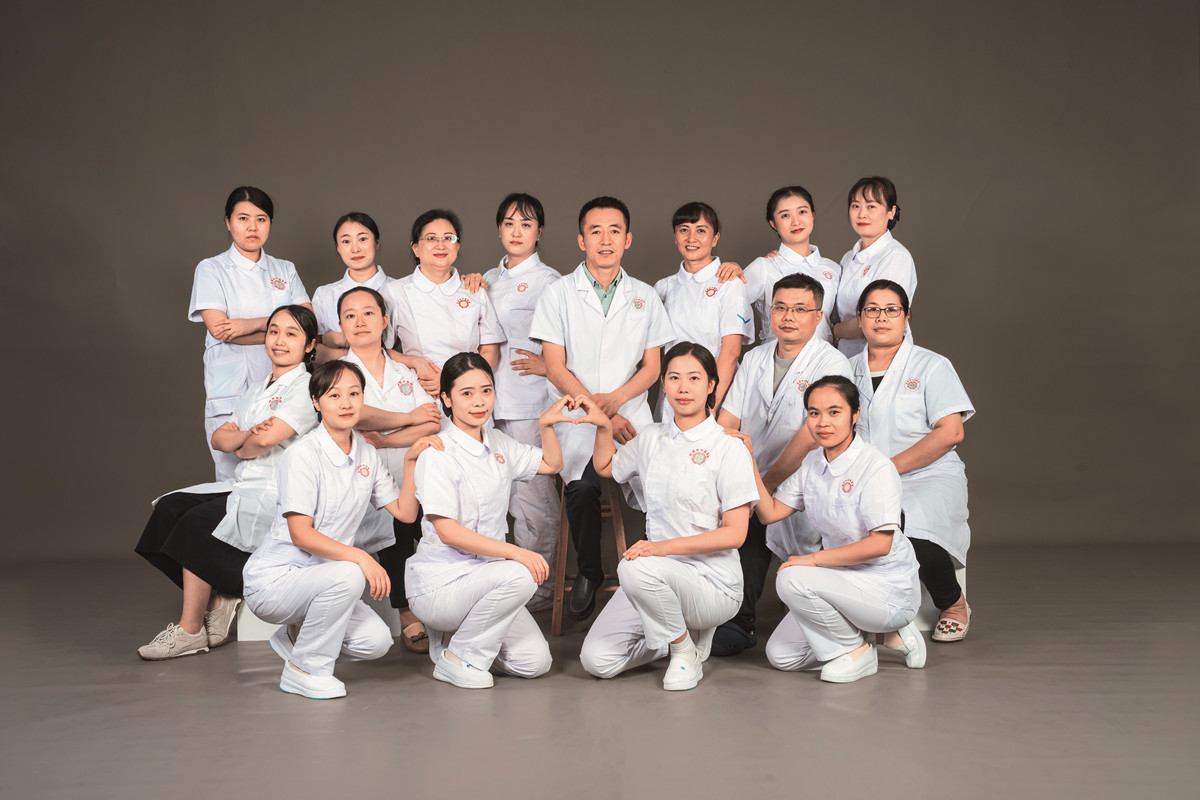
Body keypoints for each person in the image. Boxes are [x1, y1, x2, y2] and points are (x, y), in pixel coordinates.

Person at [136, 305, 320, 659]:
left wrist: (244, 439)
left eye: (291, 334)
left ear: (310, 345)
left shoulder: (307, 387)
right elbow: (220, 439)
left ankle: (190, 629)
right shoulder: (257, 388)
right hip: (244, 482)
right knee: (169, 510)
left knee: (195, 525)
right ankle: (219, 598)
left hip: (275, 489)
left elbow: (263, 442)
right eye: (274, 331)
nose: (279, 340)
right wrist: (249, 435)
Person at [529, 196, 676, 620]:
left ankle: (663, 577)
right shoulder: (558, 294)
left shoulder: (644, 296)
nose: (605, 239)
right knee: (581, 487)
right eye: (596, 231)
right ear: (582, 240)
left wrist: (616, 403)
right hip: (577, 418)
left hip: (632, 417)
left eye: (615, 231)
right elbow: (555, 367)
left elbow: (653, 368)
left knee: (665, 483)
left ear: (627, 239)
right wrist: (604, 414)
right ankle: (590, 572)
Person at [580, 343, 757, 690]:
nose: (683, 387)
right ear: (663, 384)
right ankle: (680, 632)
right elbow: (606, 466)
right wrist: (602, 425)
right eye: (674, 378)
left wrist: (660, 549)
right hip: (654, 578)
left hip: (711, 582)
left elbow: (735, 534)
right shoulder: (651, 438)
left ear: (712, 385)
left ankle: (683, 651)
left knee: (633, 565)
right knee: (597, 661)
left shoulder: (728, 446)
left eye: (694, 378)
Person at [241, 360, 415, 700]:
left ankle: (297, 639)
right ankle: (304, 670)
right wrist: (361, 558)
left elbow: (406, 514)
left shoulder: (367, 454)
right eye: (334, 395)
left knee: (376, 642)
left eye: (354, 393)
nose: (346, 403)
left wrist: (409, 461)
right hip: (276, 580)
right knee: (351, 571)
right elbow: (300, 535)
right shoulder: (303, 455)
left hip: (326, 580)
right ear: (316, 402)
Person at [402, 353, 578, 688]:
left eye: (486, 390)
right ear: (446, 399)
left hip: (490, 582)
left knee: (535, 663)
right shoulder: (437, 453)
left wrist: (545, 425)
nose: (479, 401)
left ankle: (458, 641)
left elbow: (552, 464)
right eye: (466, 393)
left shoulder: (497, 442)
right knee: (520, 572)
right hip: (443, 584)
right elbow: (448, 532)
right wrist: (517, 553)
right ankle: (458, 658)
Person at [738, 375, 925, 683]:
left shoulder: (876, 467)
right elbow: (769, 513)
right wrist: (748, 462)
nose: (823, 422)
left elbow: (879, 545)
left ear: (855, 414)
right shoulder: (812, 462)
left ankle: (857, 652)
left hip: (887, 589)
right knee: (782, 655)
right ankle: (878, 637)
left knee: (792, 576)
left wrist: (811, 560)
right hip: (842, 581)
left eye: (834, 412)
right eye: (814, 413)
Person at [713, 273, 853, 656]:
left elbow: (814, 432)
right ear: (770, 312)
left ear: (818, 316)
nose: (788, 316)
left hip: (808, 478)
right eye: (780, 307)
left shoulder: (832, 363)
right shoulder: (755, 358)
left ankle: (815, 611)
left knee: (800, 546)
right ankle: (738, 621)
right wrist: (729, 475)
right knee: (743, 527)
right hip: (754, 474)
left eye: (800, 309)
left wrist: (767, 482)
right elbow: (728, 419)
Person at [850, 280, 974, 640]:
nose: (881, 318)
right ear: (860, 318)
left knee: (912, 527)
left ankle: (953, 603)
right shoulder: (844, 369)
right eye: (872, 310)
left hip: (928, 475)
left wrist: (887, 469)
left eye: (891, 310)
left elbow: (950, 433)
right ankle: (865, 610)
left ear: (906, 317)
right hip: (866, 477)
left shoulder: (931, 365)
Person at [337, 285, 443, 652]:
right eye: (350, 315)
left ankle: (443, 605)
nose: (359, 321)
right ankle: (406, 611)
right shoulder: (339, 374)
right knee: (393, 528)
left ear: (384, 321)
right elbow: (355, 414)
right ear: (341, 325)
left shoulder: (406, 371)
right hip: (362, 475)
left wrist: (384, 440)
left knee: (434, 528)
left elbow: (432, 423)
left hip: (414, 467)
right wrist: (407, 418)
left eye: (368, 313)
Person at [189, 186, 311, 480]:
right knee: (232, 482)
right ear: (228, 222)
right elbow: (220, 329)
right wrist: (284, 333)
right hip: (231, 390)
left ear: (270, 223)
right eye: (243, 218)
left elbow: (307, 321)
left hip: (284, 389)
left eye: (261, 219)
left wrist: (248, 324)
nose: (252, 227)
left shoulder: (285, 269)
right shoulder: (212, 269)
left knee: (288, 474)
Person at [481, 193, 564, 612]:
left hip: (528, 401)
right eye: (509, 223)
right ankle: (503, 583)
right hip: (485, 403)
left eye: (526, 224)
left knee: (533, 499)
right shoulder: (486, 279)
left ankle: (540, 588)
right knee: (496, 499)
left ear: (539, 232)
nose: (517, 231)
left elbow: (569, 339)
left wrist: (548, 365)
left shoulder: (550, 281)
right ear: (499, 229)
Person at [382, 209, 504, 396]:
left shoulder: (474, 290)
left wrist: (455, 381)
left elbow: (491, 352)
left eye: (448, 238)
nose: (441, 245)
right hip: (419, 391)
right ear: (415, 248)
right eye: (431, 238)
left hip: (467, 392)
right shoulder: (395, 292)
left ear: (457, 245)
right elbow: (380, 350)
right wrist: (415, 361)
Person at [653, 201, 753, 419]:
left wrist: (711, 404)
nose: (691, 238)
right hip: (674, 392)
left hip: (716, 391)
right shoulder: (663, 287)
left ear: (715, 238)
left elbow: (731, 351)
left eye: (701, 230)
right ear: (675, 237)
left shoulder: (729, 283)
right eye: (683, 230)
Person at [743, 185, 841, 346]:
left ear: (812, 215)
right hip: (776, 355)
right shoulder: (764, 266)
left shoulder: (833, 268)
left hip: (823, 357)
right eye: (785, 215)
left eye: (802, 212)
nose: (796, 222)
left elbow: (837, 322)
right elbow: (729, 303)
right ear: (773, 223)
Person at [832, 176, 916, 358]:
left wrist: (835, 331)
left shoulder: (896, 257)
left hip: (884, 358)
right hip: (846, 357)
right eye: (855, 206)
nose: (862, 214)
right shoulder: (848, 258)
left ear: (891, 211)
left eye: (871, 206)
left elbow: (878, 318)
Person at [311, 212, 397, 362]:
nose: (355, 249)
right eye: (346, 241)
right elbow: (311, 346)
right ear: (338, 248)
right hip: (337, 375)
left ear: (377, 242)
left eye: (362, 239)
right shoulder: (324, 294)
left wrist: (339, 340)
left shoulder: (399, 290)